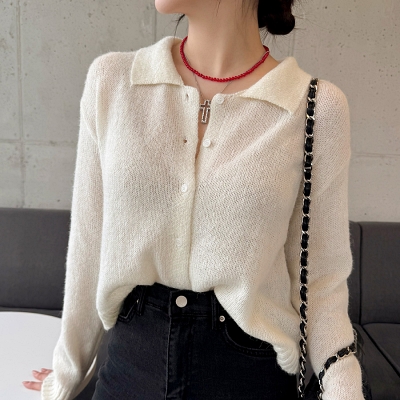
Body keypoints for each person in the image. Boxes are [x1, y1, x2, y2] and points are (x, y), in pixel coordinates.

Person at [23, 0, 366, 399]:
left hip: (249, 377)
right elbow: (89, 245)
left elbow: (320, 285)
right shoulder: (114, 81)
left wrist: (344, 389)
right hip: (131, 368)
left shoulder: (316, 109)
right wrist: (65, 376)